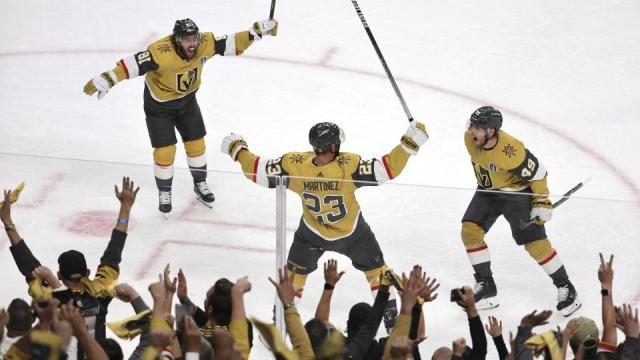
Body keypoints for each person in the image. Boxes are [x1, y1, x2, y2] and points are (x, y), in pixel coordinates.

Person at [220, 120, 429, 331]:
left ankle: (281, 326)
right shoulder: (348, 165)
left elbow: (258, 171)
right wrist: (408, 144)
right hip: (352, 234)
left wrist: (238, 149)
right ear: (333, 146)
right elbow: (386, 169)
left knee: (293, 278)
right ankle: (392, 325)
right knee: (378, 274)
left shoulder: (294, 163)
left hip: (312, 235)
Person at [83, 18, 278, 214]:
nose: (192, 43)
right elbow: (131, 65)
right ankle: (164, 192)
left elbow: (231, 42)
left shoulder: (204, 43)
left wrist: (255, 32)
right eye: (186, 40)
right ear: (177, 40)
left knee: (197, 146)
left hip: (187, 103)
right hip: (159, 108)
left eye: (194, 38)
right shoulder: (160, 52)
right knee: (165, 152)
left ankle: (200, 183)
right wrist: (109, 78)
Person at [460, 105, 580, 316]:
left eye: (478, 128)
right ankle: (486, 285)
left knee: (534, 242)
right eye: (472, 126)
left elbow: (539, 172)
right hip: (487, 192)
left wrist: (541, 201)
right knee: (470, 231)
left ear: (492, 131)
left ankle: (565, 286)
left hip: (516, 195)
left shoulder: (511, 150)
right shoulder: (470, 139)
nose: (472, 131)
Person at [1, 177, 138, 352]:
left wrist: (8, 222)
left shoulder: (50, 298)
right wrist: (125, 207)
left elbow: (29, 266)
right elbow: (113, 254)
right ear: (87, 272)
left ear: (59, 275)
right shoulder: (101, 290)